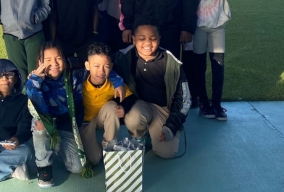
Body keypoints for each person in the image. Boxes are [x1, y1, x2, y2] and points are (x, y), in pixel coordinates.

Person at [25, 41, 124, 187]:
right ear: (40, 62)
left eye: (58, 58)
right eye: (48, 60)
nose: (55, 63)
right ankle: (43, 167)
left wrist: (117, 82)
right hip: (48, 124)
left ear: (64, 59)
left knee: (77, 168)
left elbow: (98, 68)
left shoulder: (74, 73)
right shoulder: (36, 81)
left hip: (68, 126)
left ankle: (55, 147)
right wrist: (34, 81)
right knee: (39, 123)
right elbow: (35, 104)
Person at [113, 21, 191, 159]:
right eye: (142, 38)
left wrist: (171, 126)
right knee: (134, 118)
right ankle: (140, 136)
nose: (147, 43)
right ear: (134, 39)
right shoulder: (124, 58)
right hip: (139, 105)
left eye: (153, 38)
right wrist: (123, 106)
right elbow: (110, 75)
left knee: (167, 153)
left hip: (163, 108)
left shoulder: (172, 62)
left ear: (159, 38)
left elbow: (184, 99)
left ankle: (161, 130)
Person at [191, 0, 237, 121]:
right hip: (199, 26)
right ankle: (204, 102)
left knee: (218, 64)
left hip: (218, 25)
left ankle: (217, 103)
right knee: (199, 66)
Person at [78, 42, 135, 166]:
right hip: (85, 124)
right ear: (87, 65)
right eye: (96, 66)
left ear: (111, 66)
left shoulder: (114, 84)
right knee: (95, 159)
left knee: (111, 107)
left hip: (102, 118)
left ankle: (109, 146)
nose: (101, 71)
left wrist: (124, 108)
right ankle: (96, 150)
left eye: (106, 66)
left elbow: (131, 97)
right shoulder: (79, 83)